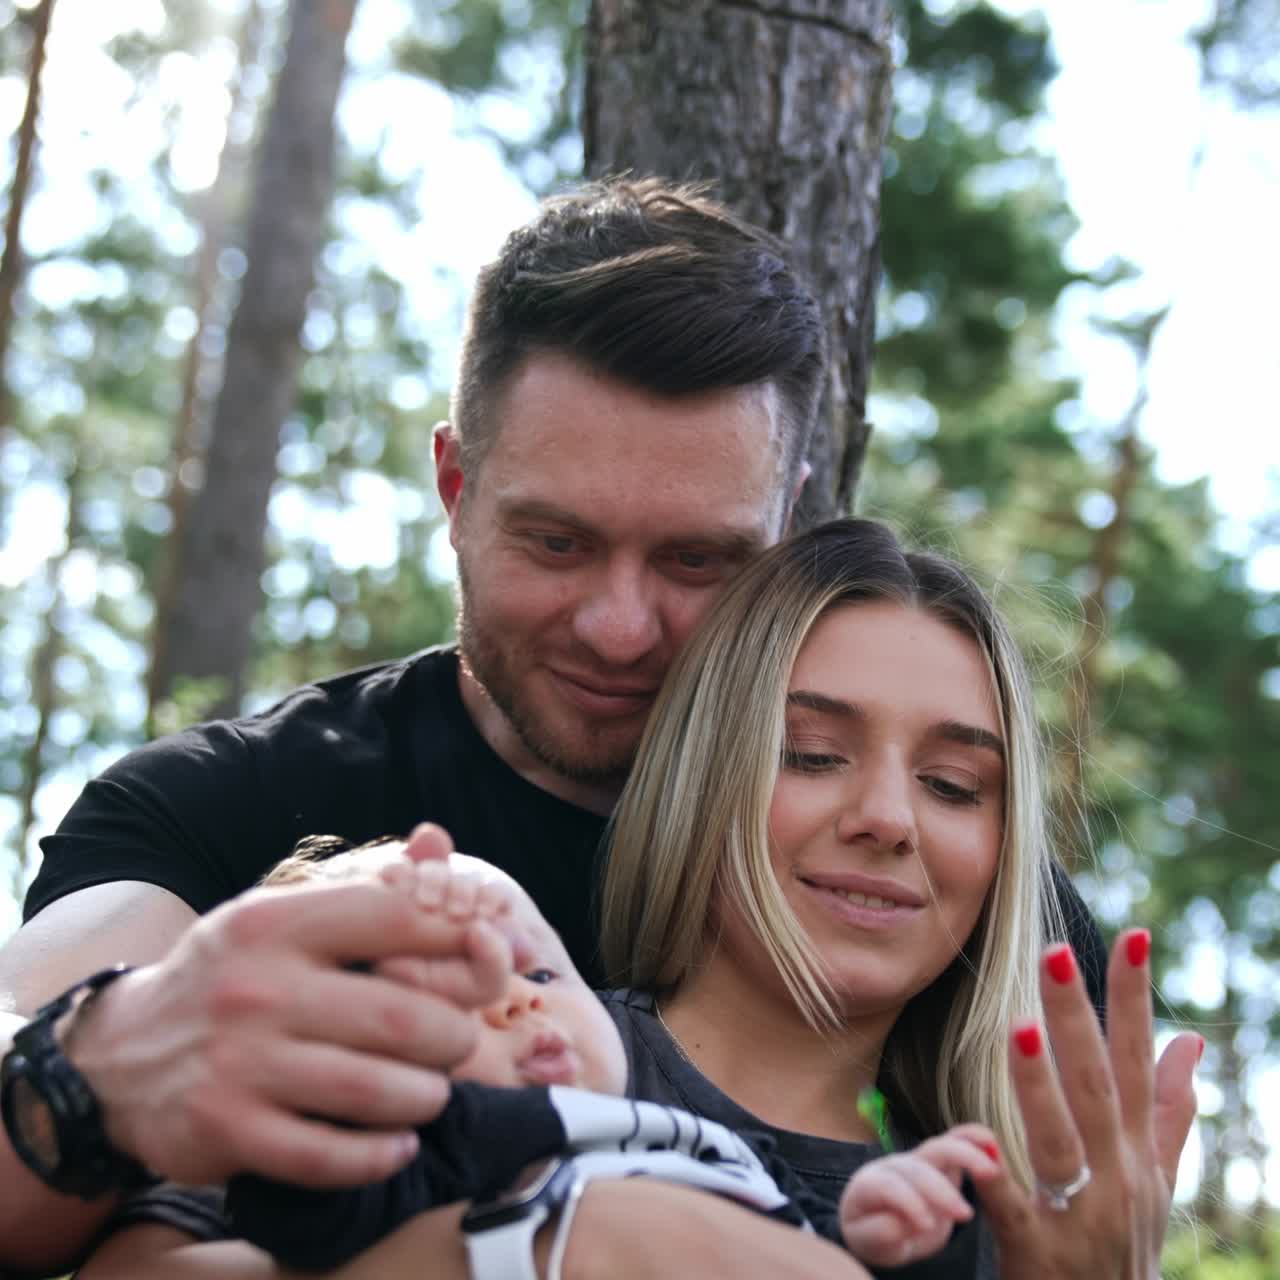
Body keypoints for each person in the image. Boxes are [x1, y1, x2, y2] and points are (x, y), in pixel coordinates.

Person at [0, 178, 1108, 1276]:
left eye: (695, 559)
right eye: (557, 542)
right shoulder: (225, 808)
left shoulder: (962, 912)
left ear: (786, 530)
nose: (620, 629)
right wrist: (97, 1063)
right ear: (453, 487)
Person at [76, 520, 1199, 1280]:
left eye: (954, 784)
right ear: (703, 778)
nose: (889, 818)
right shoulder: (509, 1045)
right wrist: (554, 1243)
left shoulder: (993, 1218)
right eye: (809, 754)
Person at [100, 832, 1000, 1279]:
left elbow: (783, 1225)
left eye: (535, 967)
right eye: (455, 995)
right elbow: (302, 1227)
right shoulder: (444, 1143)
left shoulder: (680, 1130)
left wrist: (867, 1219)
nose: (522, 997)